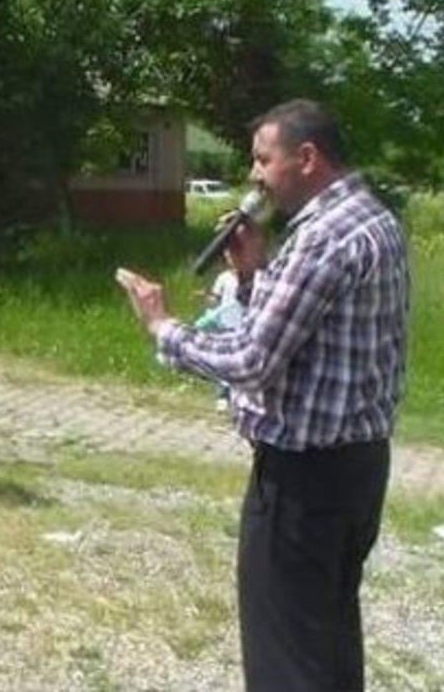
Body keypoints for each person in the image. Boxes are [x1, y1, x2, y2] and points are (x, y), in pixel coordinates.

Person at [116, 99, 409, 692]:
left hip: (303, 482)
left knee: (286, 658)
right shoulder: (372, 219)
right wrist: (253, 274)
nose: (254, 174)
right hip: (356, 469)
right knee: (324, 641)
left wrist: (162, 327)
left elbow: (252, 360)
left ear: (307, 158)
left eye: (262, 159)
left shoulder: (324, 236)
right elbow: (304, 336)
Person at [193, 259, 245, 411]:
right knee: (224, 361)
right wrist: (205, 295)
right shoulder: (223, 277)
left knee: (240, 361)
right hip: (224, 324)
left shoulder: (251, 276)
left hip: (243, 324)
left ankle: (240, 396)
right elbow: (215, 299)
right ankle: (223, 396)